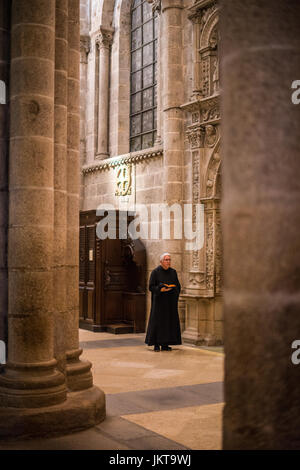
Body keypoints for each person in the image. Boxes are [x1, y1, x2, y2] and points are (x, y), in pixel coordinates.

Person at [145, 253, 182, 351]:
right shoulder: (155, 272)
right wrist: (160, 290)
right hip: (159, 303)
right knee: (158, 322)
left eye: (169, 260)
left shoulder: (173, 272)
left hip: (170, 302)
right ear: (161, 261)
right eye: (166, 260)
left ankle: (165, 344)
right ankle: (156, 344)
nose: (168, 262)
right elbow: (151, 287)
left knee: (168, 323)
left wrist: (174, 290)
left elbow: (178, 286)